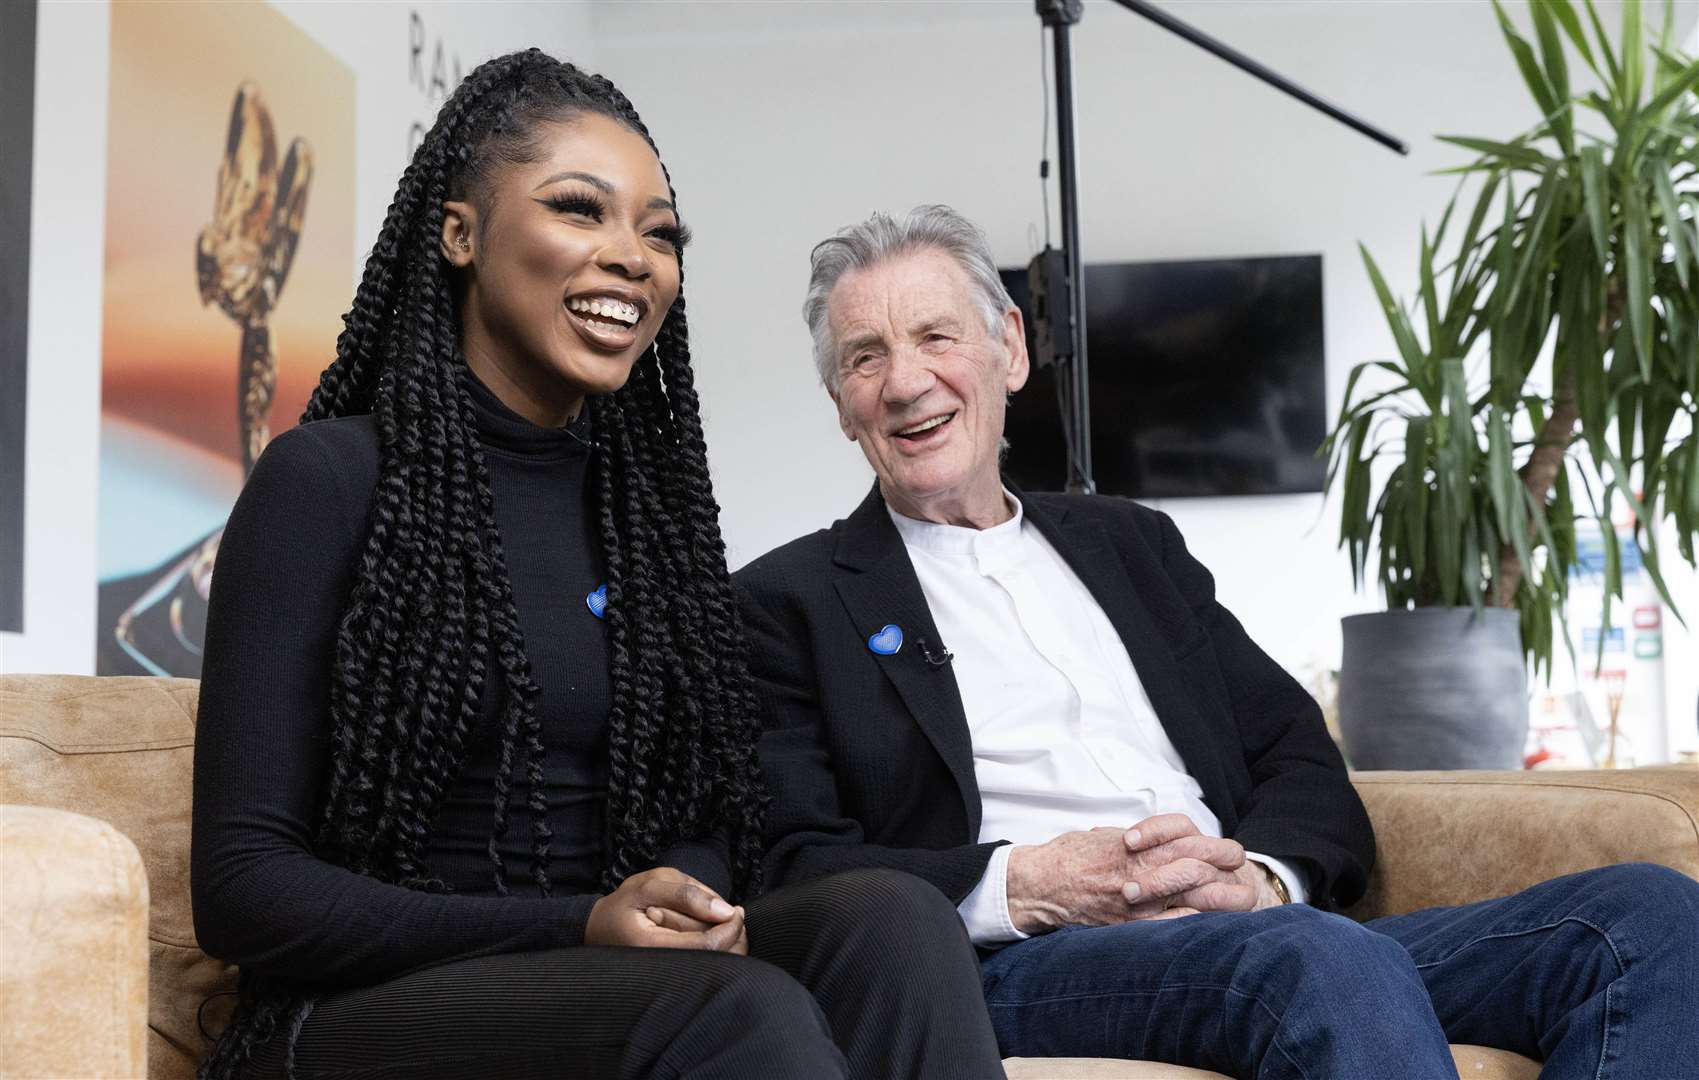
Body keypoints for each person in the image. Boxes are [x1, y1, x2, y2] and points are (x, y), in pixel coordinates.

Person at [734, 203, 1699, 1079]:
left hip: (1260, 936)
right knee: (1313, 958)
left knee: (1651, 920)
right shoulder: (788, 601)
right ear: (840, 404)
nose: (905, 383)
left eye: (936, 336)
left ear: (1010, 351)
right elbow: (792, 868)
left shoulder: (1129, 544)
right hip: (1023, 966)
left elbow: (1296, 752)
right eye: (865, 357)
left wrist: (1263, 880)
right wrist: (1025, 883)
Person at [191, 59, 1004, 1080]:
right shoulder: (329, 481)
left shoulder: (643, 515)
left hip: (608, 976)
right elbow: (243, 890)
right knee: (730, 1013)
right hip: (352, 1015)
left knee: (892, 919)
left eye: (660, 234)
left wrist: (687, 895)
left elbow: (706, 810)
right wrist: (578, 924)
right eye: (582, 211)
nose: (634, 259)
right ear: (459, 234)